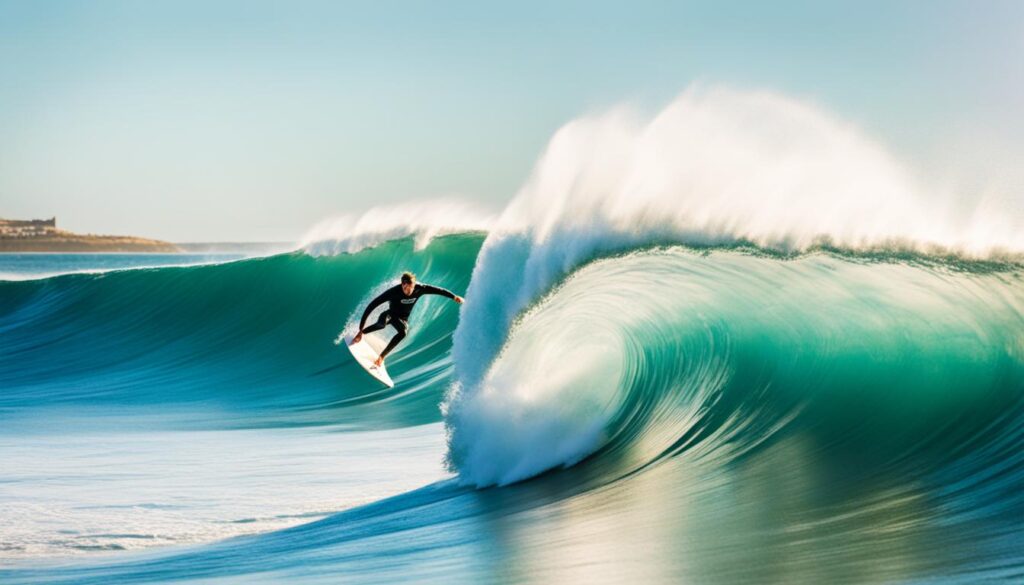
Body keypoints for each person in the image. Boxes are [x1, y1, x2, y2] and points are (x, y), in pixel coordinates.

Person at [352, 272, 464, 367]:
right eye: (405, 287)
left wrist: (454, 296)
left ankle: (381, 357)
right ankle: (362, 333)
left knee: (403, 332)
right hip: (390, 314)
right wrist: (361, 328)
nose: (408, 290)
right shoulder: (393, 292)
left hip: (402, 319)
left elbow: (439, 290)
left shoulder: (420, 289)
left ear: (414, 285)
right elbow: (372, 305)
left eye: (410, 287)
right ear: (402, 284)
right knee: (381, 325)